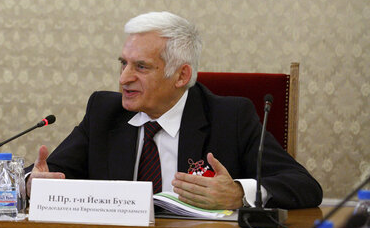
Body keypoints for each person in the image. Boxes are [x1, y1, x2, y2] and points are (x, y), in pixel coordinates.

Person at [28, 12, 322, 210]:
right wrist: (32, 183)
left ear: (181, 76)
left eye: (141, 67)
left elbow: (304, 186)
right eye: (123, 63)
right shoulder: (105, 112)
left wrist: (238, 194)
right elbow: (54, 173)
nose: (123, 78)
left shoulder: (230, 118)